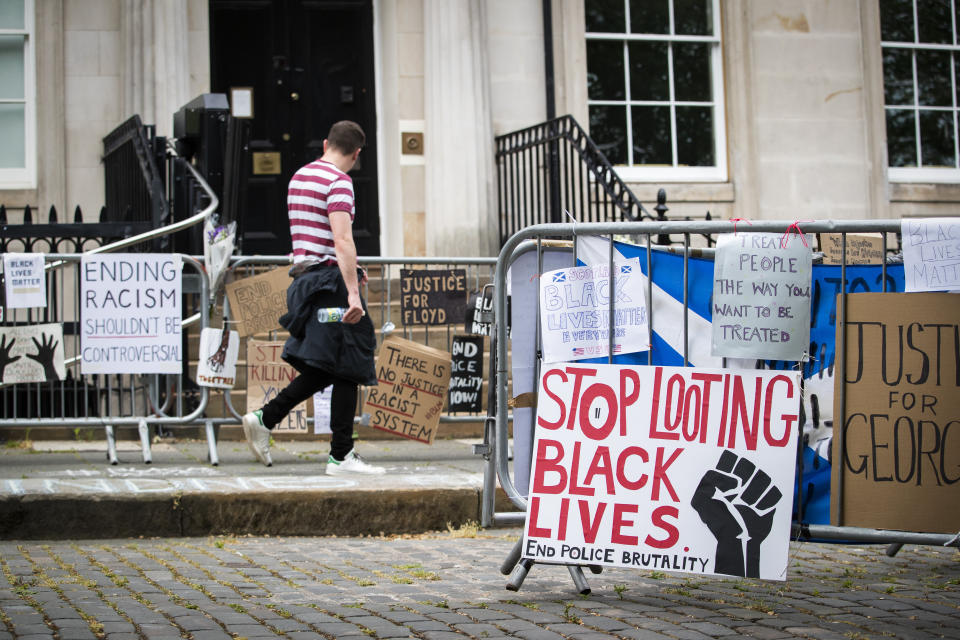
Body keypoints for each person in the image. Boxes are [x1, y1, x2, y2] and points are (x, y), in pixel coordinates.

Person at [242, 120, 384, 475]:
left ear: (325, 144)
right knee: (350, 363)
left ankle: (270, 419)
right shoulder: (339, 183)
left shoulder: (299, 177)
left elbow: (314, 238)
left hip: (306, 283)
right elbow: (341, 241)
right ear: (356, 153)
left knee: (332, 366)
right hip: (330, 286)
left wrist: (351, 272)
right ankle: (339, 455)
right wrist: (353, 292)